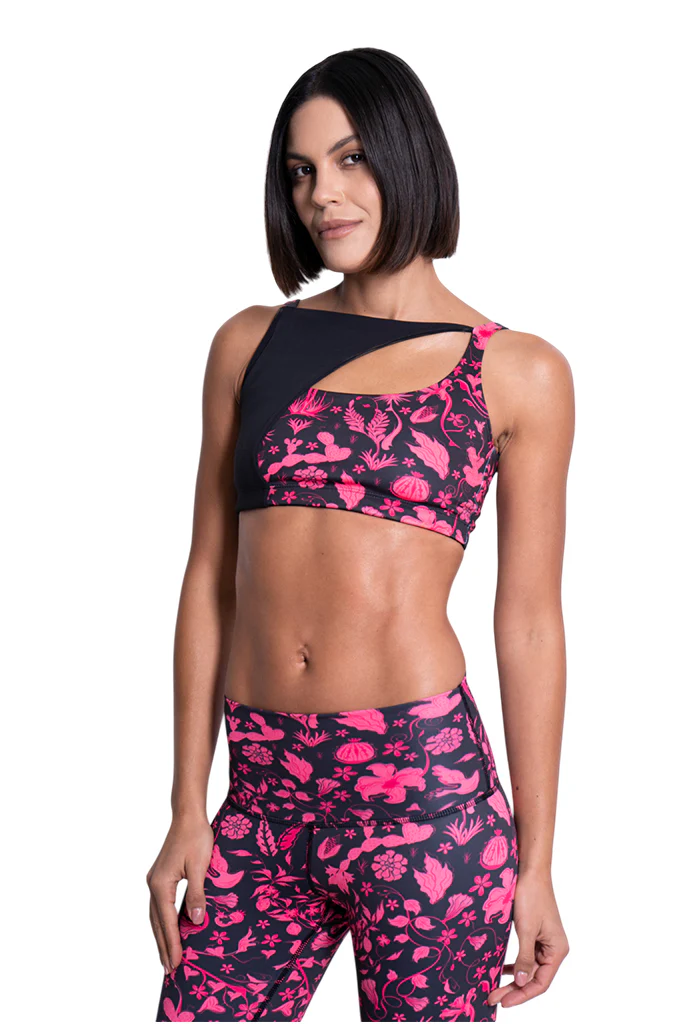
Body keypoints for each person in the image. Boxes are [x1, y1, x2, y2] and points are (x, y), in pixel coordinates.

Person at [148, 46, 573, 1023]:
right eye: (301, 171)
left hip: (424, 799)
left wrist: (537, 863)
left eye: (350, 159)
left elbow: (530, 624)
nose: (323, 195)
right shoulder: (250, 342)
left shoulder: (516, 371)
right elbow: (210, 581)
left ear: (408, 156)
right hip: (261, 791)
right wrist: (185, 806)